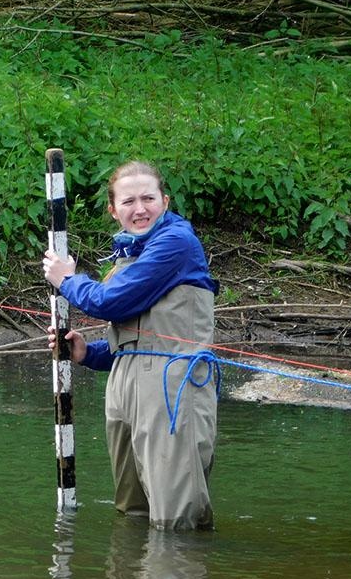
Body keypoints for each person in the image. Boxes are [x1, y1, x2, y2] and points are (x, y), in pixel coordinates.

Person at [43, 160, 219, 531]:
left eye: (148, 198)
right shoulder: (128, 255)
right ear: (113, 210)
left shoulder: (175, 242)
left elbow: (109, 302)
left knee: (175, 517)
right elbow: (134, 341)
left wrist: (67, 280)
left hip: (172, 387)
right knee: (132, 510)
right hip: (125, 385)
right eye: (128, 202)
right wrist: (87, 354)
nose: (140, 209)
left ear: (165, 201)